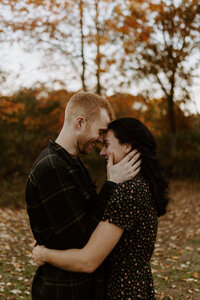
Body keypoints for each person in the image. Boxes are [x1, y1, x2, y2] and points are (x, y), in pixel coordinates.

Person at [33, 117, 169, 299]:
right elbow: (95, 228)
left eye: (107, 144)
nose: (102, 152)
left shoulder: (129, 191)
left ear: (127, 146)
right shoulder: (138, 184)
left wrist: (44, 253)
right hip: (136, 287)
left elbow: (88, 260)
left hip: (123, 292)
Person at [26, 93, 141, 300]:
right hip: (63, 290)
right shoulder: (52, 168)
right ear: (80, 123)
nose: (100, 139)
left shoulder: (71, 162)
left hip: (80, 286)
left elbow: (84, 216)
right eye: (100, 132)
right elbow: (80, 240)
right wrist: (111, 185)